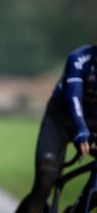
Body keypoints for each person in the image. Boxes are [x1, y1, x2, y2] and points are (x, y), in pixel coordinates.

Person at [16, 44, 97, 213]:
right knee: (46, 179)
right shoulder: (80, 58)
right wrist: (82, 129)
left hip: (93, 122)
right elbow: (73, 97)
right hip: (60, 119)